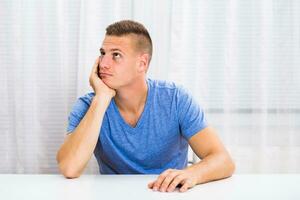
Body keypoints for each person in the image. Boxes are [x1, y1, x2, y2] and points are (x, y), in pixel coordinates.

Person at [56, 20, 235, 193]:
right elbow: (69, 168)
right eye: (103, 53)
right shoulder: (89, 105)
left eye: (116, 55)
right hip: (113, 195)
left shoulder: (175, 98)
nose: (103, 63)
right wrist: (101, 99)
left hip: (168, 194)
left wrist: (191, 174)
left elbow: (223, 160)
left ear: (142, 63)